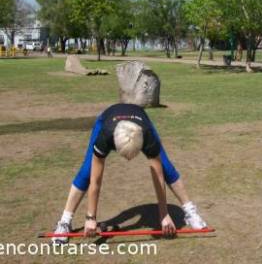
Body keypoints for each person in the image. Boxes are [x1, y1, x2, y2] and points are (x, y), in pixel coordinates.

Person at [52, 103, 208, 244]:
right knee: (87, 171)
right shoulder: (105, 135)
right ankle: (64, 222)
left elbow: (158, 175)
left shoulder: (147, 135)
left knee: (166, 167)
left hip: (141, 119)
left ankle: (190, 211)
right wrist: (90, 217)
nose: (128, 160)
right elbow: (96, 180)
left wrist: (164, 215)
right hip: (106, 118)